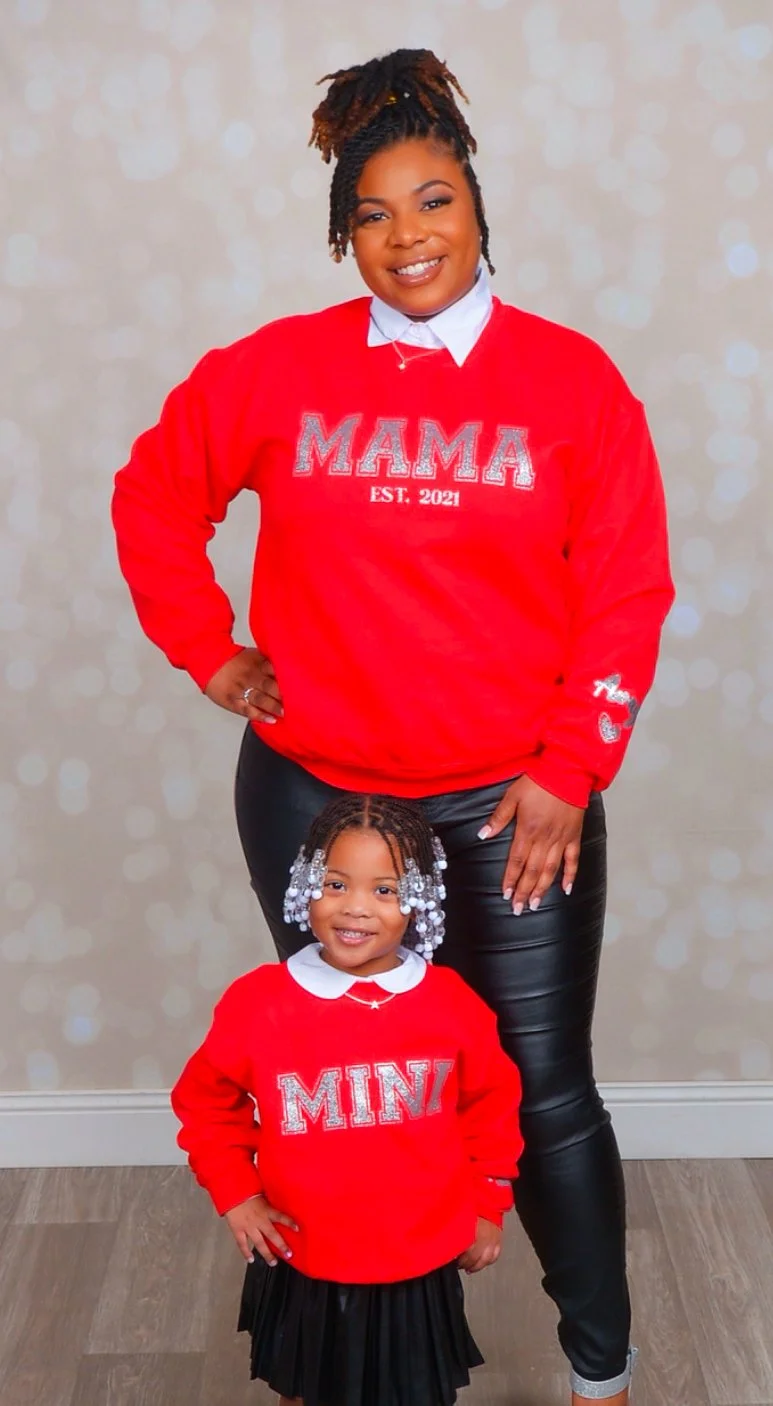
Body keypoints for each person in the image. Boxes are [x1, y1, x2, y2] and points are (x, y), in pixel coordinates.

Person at [113, 48, 674, 1403]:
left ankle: (598, 1355)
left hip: (511, 799)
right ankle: (375, 1350)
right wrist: (207, 650)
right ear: (341, 236)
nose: (406, 236)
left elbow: (626, 590)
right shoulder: (279, 370)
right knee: (362, 1064)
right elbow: (153, 493)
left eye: (432, 202)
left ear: (477, 209)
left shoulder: (570, 383)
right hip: (318, 797)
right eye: (371, 214)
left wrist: (569, 770)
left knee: (538, 1084)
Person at [172, 794, 523, 1406]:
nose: (355, 907)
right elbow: (205, 1104)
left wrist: (488, 1204)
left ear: (419, 898)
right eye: (335, 884)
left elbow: (490, 1108)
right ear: (306, 884)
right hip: (305, 1252)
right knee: (304, 1390)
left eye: (385, 890)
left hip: (418, 1254)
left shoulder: (451, 1003)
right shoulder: (259, 1003)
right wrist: (238, 1194)